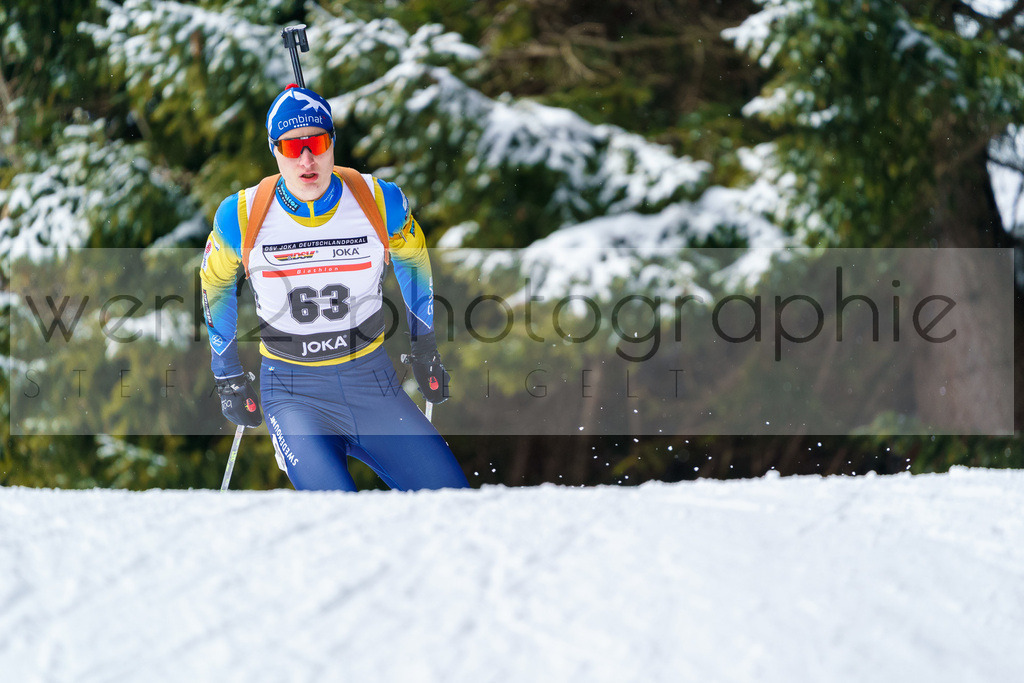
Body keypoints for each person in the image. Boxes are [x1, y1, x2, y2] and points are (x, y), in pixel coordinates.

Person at [200, 84, 468, 492]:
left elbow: (414, 257)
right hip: (293, 393)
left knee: (453, 503)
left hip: (374, 384)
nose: (307, 160)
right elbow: (215, 281)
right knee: (337, 514)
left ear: (332, 144)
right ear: (274, 151)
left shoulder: (379, 201)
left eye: (317, 143)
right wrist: (227, 375)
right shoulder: (242, 214)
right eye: (292, 148)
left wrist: (424, 345)